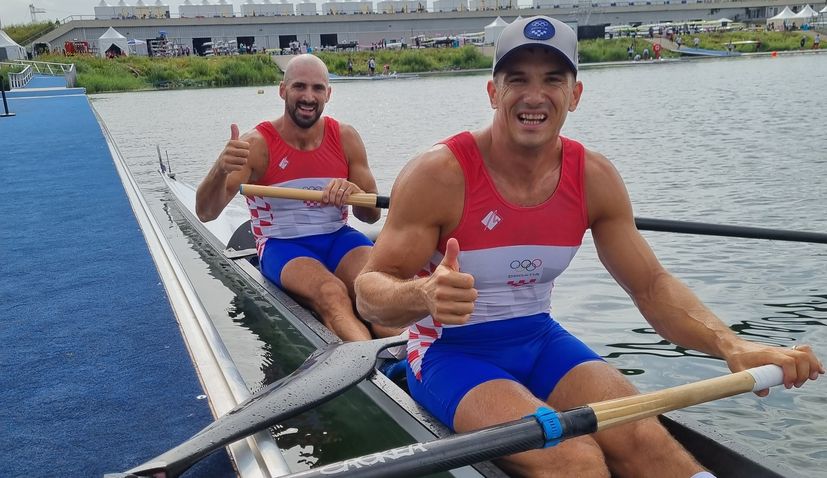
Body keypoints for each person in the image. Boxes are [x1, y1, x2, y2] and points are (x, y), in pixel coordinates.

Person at [354, 16, 824, 477]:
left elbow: (651, 285)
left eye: (552, 80)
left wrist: (730, 344)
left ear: (574, 95)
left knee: (643, 439)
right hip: (449, 353)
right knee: (573, 460)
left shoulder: (593, 177)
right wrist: (422, 295)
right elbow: (369, 291)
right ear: (493, 92)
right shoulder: (439, 174)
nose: (534, 96)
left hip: (540, 340)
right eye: (517, 79)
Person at [195, 54, 398, 342]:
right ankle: (373, 370)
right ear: (282, 90)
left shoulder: (346, 137)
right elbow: (206, 212)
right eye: (299, 86)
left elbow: (372, 216)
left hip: (339, 237)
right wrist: (219, 168)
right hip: (282, 244)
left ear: (328, 93)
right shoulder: (256, 145)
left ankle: (408, 362)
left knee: (378, 289)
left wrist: (354, 195)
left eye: (317, 88)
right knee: (331, 293)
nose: (308, 96)